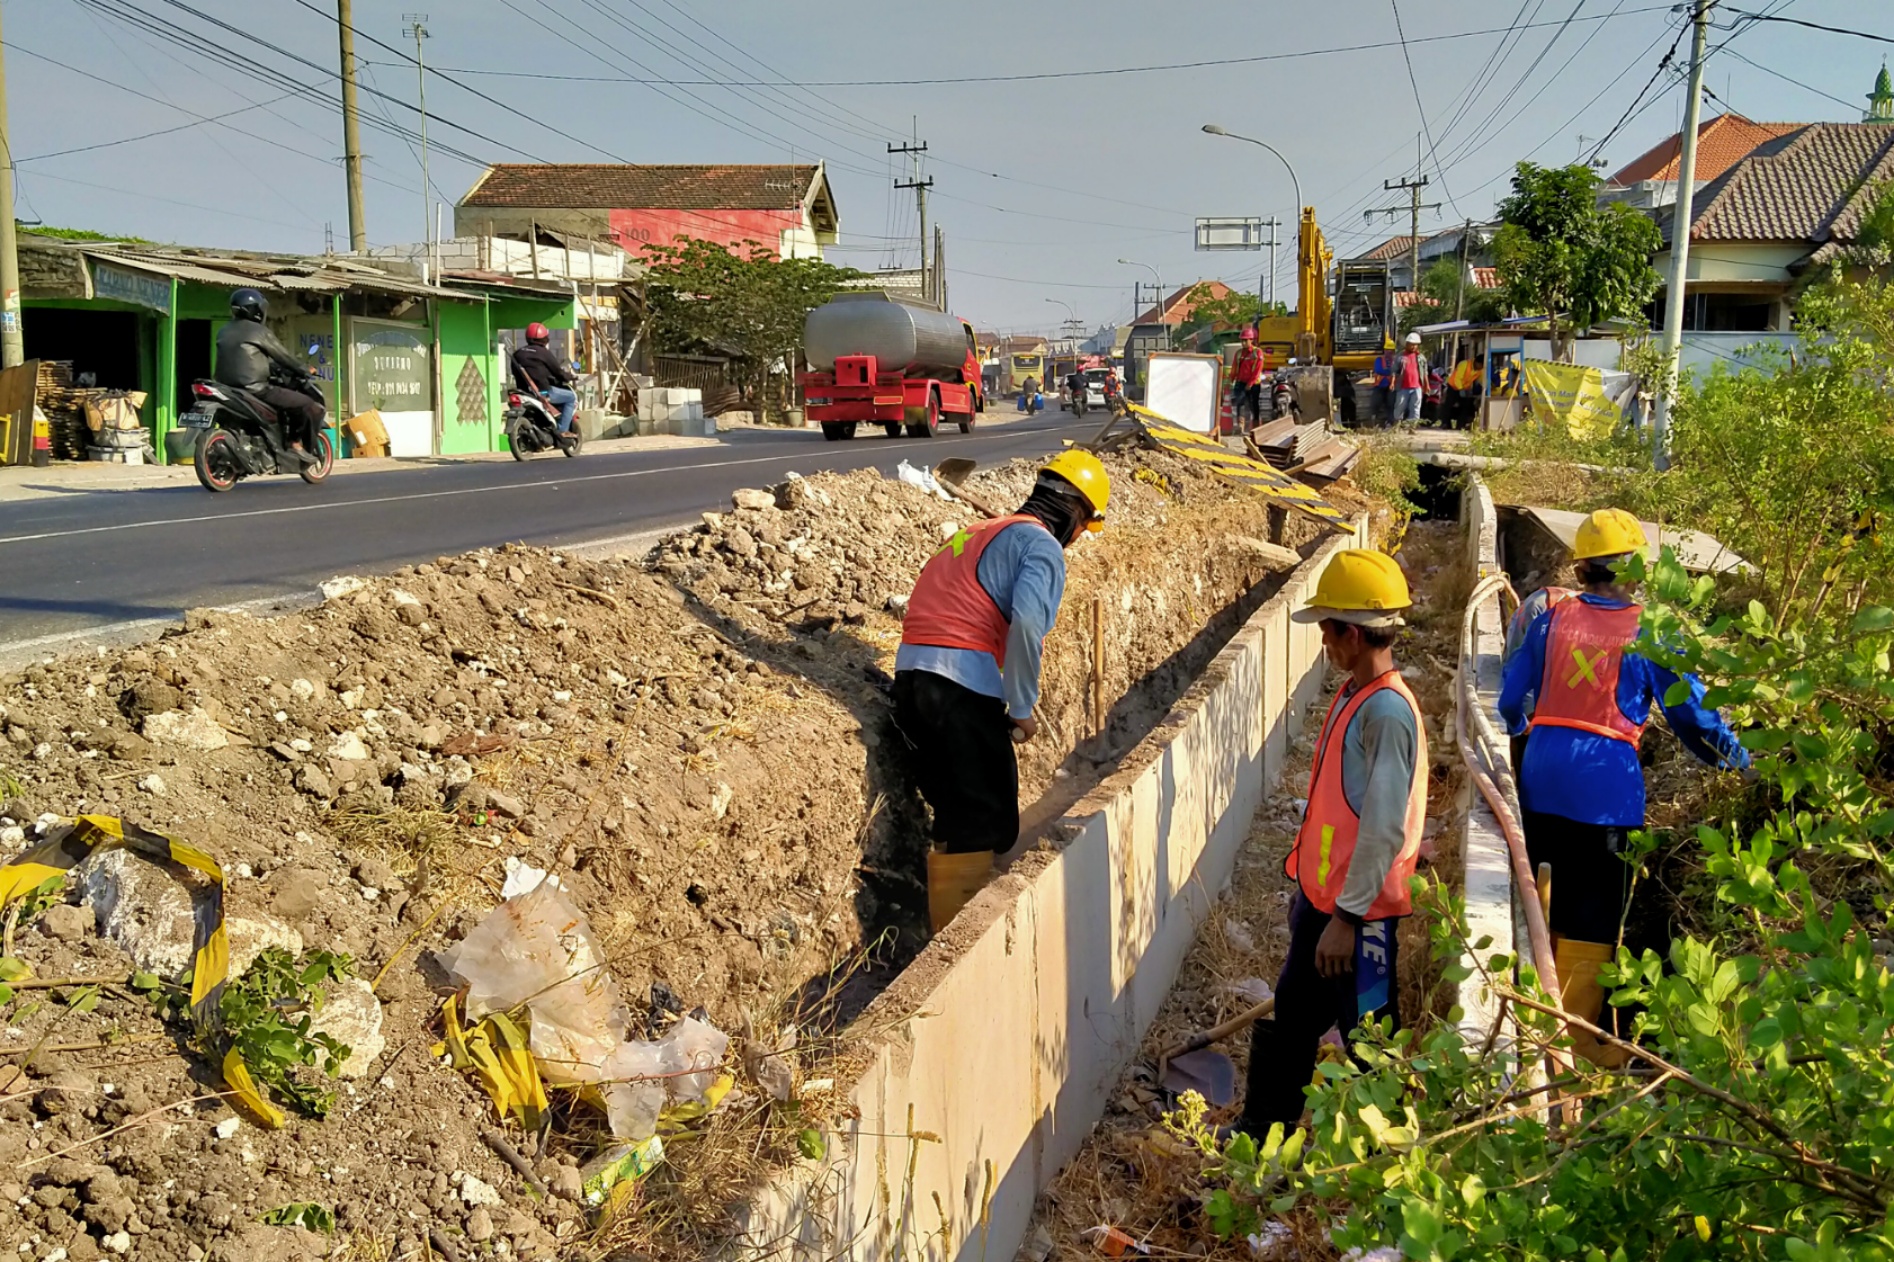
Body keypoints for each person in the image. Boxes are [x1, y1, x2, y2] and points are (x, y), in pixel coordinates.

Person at [1497, 509, 1749, 1066]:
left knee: (1543, 904)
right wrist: (1740, 762)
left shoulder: (1549, 620)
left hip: (1540, 779)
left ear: (1581, 566)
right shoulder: (1651, 631)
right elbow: (1693, 718)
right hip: (1604, 790)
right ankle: (1576, 1046)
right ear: (1636, 565)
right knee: (1594, 917)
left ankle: (1530, 1017)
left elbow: (1510, 700)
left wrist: (1526, 738)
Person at [1237, 549, 1428, 1138]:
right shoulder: (1354, 696)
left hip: (1358, 921)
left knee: (1371, 1047)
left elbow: (1382, 826)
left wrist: (1346, 917)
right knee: (1292, 1023)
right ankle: (1262, 1144)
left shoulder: (1387, 713)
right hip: (1323, 909)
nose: (1322, 641)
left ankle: (1387, 1176)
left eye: (1327, 629)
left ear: (1352, 632)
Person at [893, 450, 1112, 931]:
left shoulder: (979, 531)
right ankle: (955, 943)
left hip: (911, 680)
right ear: (1076, 514)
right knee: (986, 817)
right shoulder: (1041, 546)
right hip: (959, 684)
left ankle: (947, 923)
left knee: (958, 810)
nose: (1076, 541)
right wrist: (1020, 705)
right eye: (1082, 528)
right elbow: (1028, 625)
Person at [214, 288, 322, 468]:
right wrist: (304, 369)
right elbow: (283, 356)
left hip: (228, 389)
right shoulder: (259, 331)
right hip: (256, 390)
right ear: (256, 310)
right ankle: (294, 442)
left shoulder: (224, 330)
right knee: (305, 404)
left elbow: (247, 359)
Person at [511, 323, 577, 437]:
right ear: (545, 339)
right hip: (543, 392)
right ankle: (562, 431)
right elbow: (558, 371)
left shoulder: (517, 354)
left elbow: (514, 372)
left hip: (524, 392)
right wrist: (569, 376)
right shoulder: (544, 353)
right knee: (571, 397)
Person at [1231, 327, 1266, 430]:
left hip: (1254, 384)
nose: (1243, 343)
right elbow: (1234, 368)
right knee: (1240, 404)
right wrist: (1231, 380)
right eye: (1242, 340)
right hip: (1241, 382)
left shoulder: (1257, 353)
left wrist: (1250, 384)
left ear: (1251, 340)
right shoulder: (1239, 353)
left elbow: (1257, 370)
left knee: (1254, 405)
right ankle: (1240, 426)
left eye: (1245, 340)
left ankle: (1255, 426)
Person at [1392, 332, 1428, 424]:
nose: (1413, 347)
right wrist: (1392, 383)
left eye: (1415, 345)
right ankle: (1397, 425)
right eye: (1411, 345)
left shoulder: (1421, 358)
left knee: (1415, 407)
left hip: (1417, 387)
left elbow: (1425, 372)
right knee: (1400, 406)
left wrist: (1426, 385)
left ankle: (1412, 427)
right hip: (1403, 387)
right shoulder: (1400, 357)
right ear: (1407, 344)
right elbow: (1394, 371)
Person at [1446, 350, 1480, 427]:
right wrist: (1461, 389)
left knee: (1465, 407)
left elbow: (1482, 379)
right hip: (1453, 387)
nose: (1480, 368)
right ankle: (1446, 424)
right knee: (1450, 406)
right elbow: (1457, 379)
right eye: (1480, 365)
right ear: (1477, 362)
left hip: (1465, 389)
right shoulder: (1464, 364)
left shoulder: (1480, 369)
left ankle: (1460, 425)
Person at [1369, 344, 1394, 426]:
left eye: (1391, 350)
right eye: (1387, 350)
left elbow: (1396, 371)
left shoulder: (1394, 361)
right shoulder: (1379, 360)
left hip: (1390, 386)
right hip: (1379, 385)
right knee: (1375, 403)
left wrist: (1389, 371)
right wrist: (1389, 371)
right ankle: (1373, 420)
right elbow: (1378, 370)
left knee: (1391, 404)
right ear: (1384, 350)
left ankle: (1390, 422)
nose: (1389, 352)